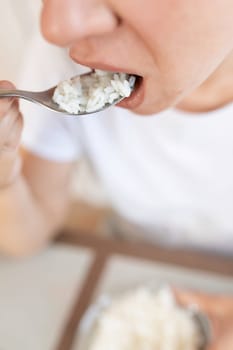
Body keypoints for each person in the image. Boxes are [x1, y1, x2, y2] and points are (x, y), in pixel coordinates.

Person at [0, 0, 233, 347]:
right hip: (125, 273)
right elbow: (25, 236)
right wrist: (5, 171)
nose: (55, 26)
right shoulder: (60, 59)